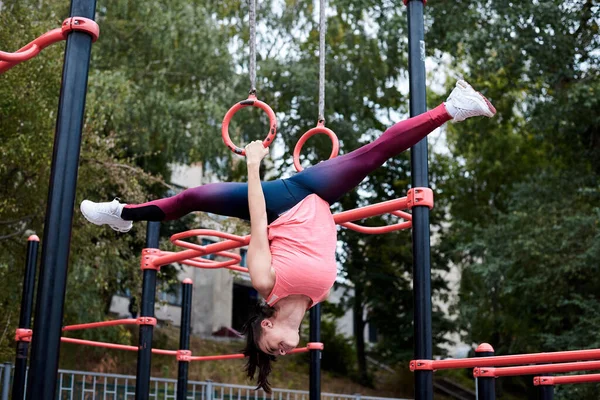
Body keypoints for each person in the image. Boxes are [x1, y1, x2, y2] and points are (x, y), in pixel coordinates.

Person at [80, 80, 496, 391]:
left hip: (284, 199)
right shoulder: (321, 295)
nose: (280, 350)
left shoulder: (265, 283)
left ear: (266, 322)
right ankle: (452, 108)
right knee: (374, 156)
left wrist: (254, 166)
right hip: (318, 195)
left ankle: (122, 213)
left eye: (269, 346)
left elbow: (258, 221)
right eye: (278, 353)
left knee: (193, 195)